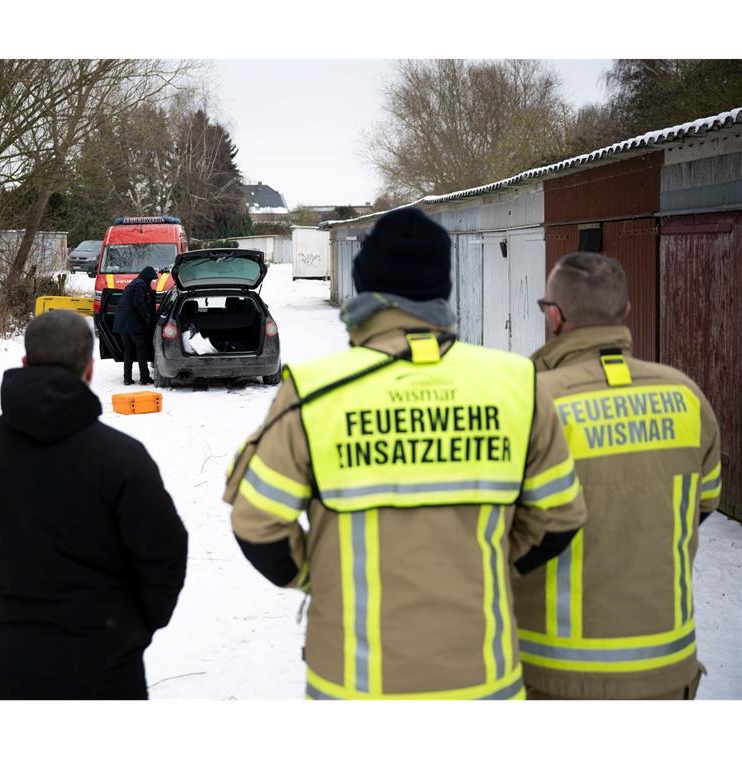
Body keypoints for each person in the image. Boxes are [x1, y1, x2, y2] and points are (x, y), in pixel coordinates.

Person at [224, 207, 587, 700]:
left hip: (354, 687)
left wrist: (318, 577)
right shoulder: (517, 384)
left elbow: (257, 524)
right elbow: (560, 518)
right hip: (484, 684)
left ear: (364, 290)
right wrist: (492, 564)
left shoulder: (314, 392)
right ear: (443, 289)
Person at [0, 309, 188, 699]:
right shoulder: (124, 459)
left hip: (15, 662)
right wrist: (137, 624)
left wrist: (9, 596)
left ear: (25, 363)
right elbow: (165, 555)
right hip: (109, 664)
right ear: (89, 369)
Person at [513, 252, 723, 700]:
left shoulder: (528, 402)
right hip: (668, 671)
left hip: (554, 675)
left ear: (554, 316)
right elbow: (702, 506)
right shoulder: (686, 395)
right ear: (625, 313)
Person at [113, 265, 158, 385]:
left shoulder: (133, 283)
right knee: (141, 350)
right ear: (148, 277)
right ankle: (144, 378)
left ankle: (127, 378)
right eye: (152, 279)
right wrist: (146, 317)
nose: (152, 282)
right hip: (134, 324)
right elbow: (138, 302)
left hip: (122, 324)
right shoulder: (140, 285)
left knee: (128, 351)